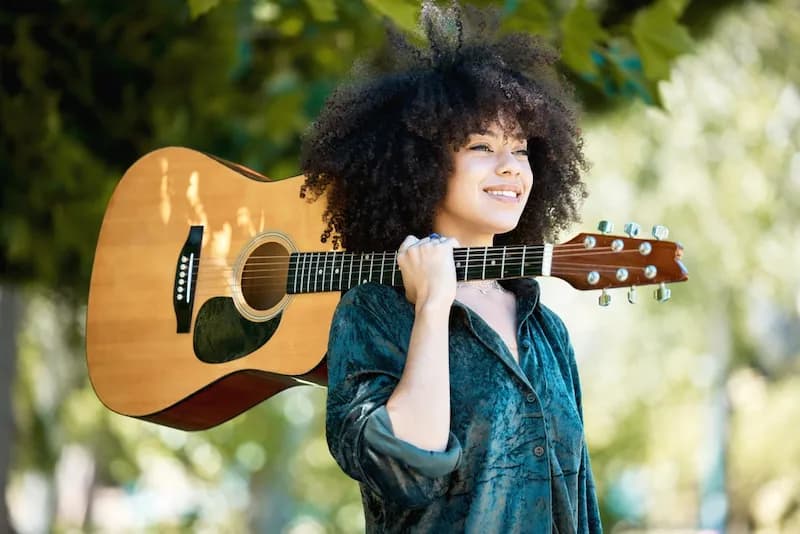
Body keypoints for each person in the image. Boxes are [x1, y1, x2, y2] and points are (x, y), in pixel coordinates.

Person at [299, 1, 602, 532]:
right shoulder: (374, 311)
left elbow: (580, 503)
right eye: (483, 146)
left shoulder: (546, 329)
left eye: (521, 149)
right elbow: (407, 472)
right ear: (421, 164)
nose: (510, 166)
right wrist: (433, 307)